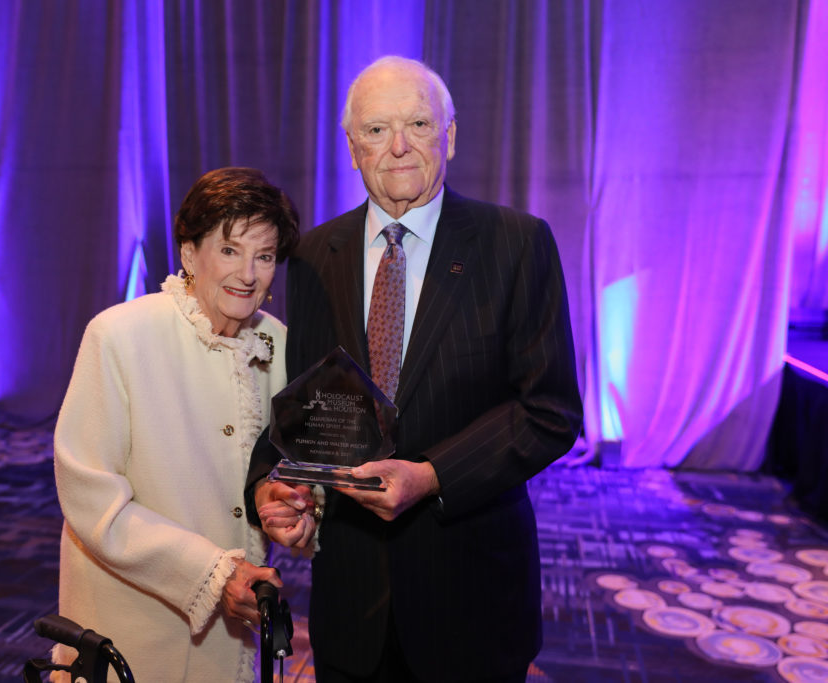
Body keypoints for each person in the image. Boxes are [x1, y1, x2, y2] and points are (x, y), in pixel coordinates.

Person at [245, 56, 583, 682]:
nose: (398, 146)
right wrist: (271, 485)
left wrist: (431, 476)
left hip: (471, 601)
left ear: (449, 137)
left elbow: (549, 411)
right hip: (350, 608)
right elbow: (305, 405)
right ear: (352, 149)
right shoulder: (314, 256)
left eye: (419, 124)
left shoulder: (517, 243)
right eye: (376, 130)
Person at [52, 167, 302, 682]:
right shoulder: (120, 335)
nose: (248, 274)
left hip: (234, 626)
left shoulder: (276, 342)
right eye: (229, 250)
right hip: (134, 625)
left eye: (264, 256)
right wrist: (209, 573)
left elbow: (284, 465)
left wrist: (292, 508)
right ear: (189, 254)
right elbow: (90, 496)